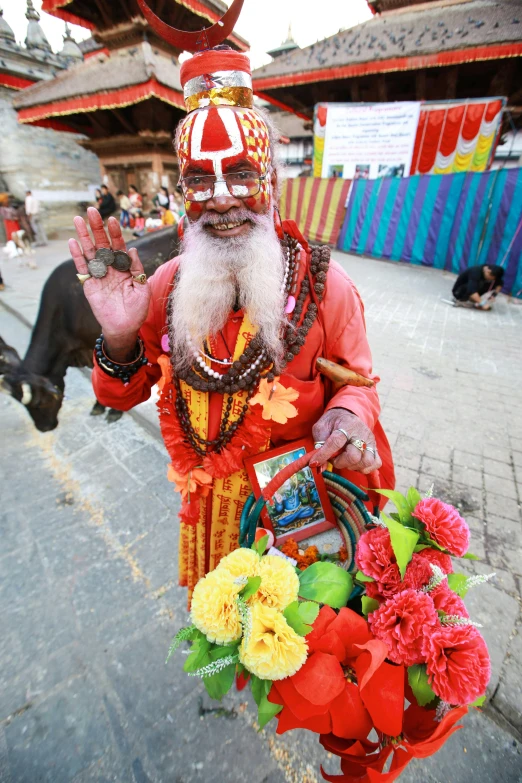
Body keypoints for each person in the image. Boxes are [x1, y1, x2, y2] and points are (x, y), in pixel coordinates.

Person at [69, 37, 394, 600]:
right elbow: (121, 395)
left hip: (296, 517)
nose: (221, 200)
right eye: (199, 180)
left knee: (295, 644)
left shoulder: (325, 289)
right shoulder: (165, 286)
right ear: (183, 191)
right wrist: (121, 335)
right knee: (228, 631)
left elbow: (360, 383)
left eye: (240, 174)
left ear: (270, 181)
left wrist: (347, 416)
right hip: (207, 519)